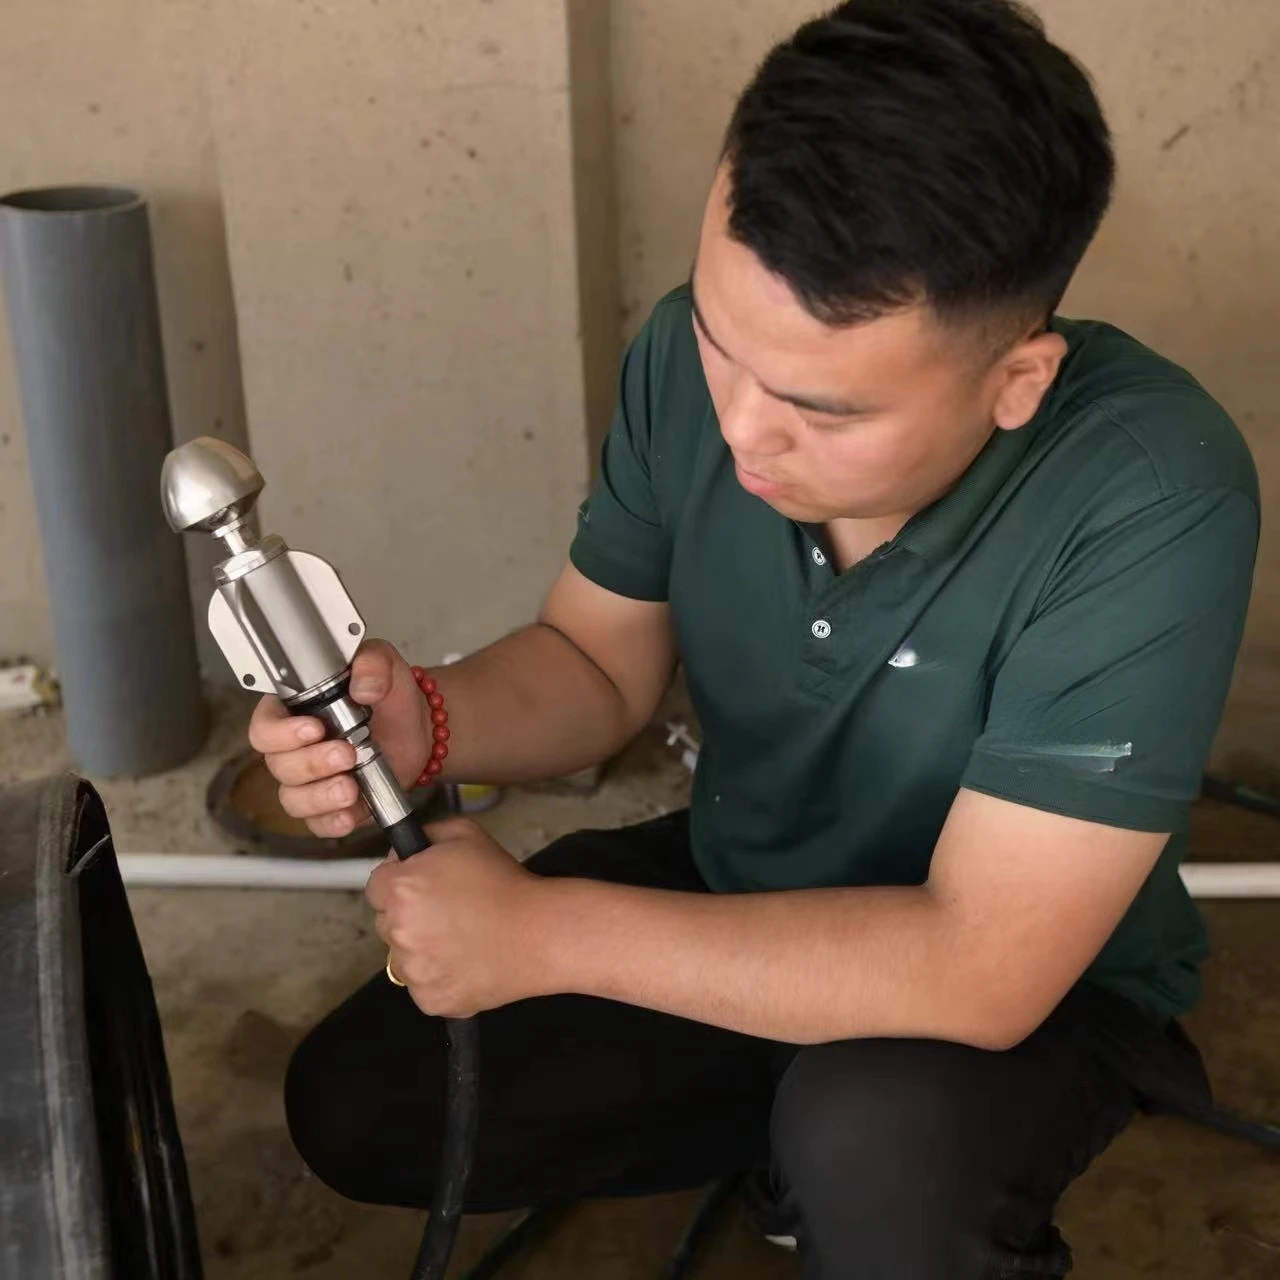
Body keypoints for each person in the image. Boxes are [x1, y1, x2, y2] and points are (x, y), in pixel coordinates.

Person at [253, 2, 1259, 1275]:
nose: (742, 431)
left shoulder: (1148, 490)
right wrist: (423, 718)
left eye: (821, 410)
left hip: (1035, 987)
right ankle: (780, 1118)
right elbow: (594, 661)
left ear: (1016, 379)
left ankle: (834, 1155)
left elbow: (978, 963)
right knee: (366, 1101)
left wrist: (543, 934)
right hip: (748, 889)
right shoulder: (687, 358)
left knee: (880, 1148)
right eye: (725, 350)